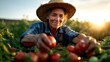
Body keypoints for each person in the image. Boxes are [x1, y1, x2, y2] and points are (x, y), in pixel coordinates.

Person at [20, 0, 100, 53]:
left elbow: (76, 36)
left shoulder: (64, 30)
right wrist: (36, 38)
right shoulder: (38, 26)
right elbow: (24, 38)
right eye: (54, 15)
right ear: (47, 16)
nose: (57, 19)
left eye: (61, 16)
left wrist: (87, 39)